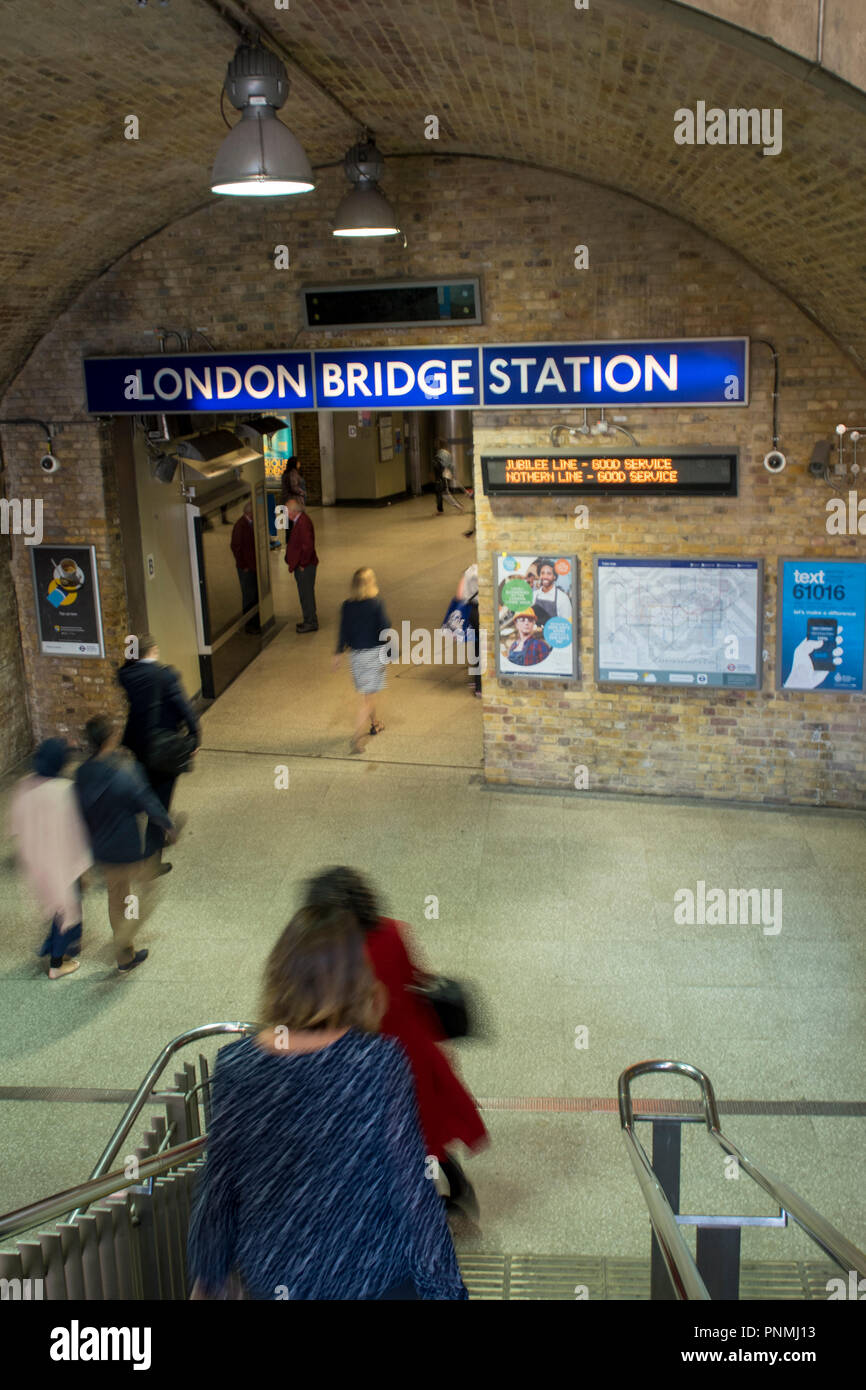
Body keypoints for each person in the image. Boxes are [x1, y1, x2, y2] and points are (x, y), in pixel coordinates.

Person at [187, 904, 467, 1300]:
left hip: (276, 1278)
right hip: (375, 1280)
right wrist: (447, 1291)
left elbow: (220, 1186)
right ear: (355, 981)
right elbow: (413, 1189)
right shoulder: (378, 1063)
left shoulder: (235, 1066)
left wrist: (210, 1272)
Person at [303, 867, 487, 1218]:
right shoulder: (392, 931)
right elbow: (415, 978)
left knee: (392, 1135)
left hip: (373, 1060)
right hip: (415, 1048)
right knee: (428, 1126)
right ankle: (456, 1185)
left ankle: (408, 1206)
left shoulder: (334, 958)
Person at [74, 715, 178, 974]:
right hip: (128, 848)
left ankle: (125, 957)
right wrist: (167, 824)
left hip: (102, 850)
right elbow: (146, 800)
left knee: (117, 898)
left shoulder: (83, 773)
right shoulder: (126, 768)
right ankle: (123, 940)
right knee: (149, 892)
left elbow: (79, 814)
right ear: (111, 738)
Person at [8, 738, 92, 980]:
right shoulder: (63, 790)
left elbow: (15, 827)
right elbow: (74, 833)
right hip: (61, 861)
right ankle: (57, 963)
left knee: (54, 904)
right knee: (67, 908)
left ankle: (49, 945)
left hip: (35, 861)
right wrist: (83, 867)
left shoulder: (24, 786)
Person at [117, 633, 199, 872]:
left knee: (146, 788)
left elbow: (127, 670)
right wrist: (194, 738)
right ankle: (151, 861)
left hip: (138, 744)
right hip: (163, 746)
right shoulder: (165, 676)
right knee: (159, 797)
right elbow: (186, 709)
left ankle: (159, 825)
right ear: (151, 651)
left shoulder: (126, 675)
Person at [333, 567, 390, 754]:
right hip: (373, 654)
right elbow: (384, 628)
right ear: (370, 583)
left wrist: (338, 654)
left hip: (356, 656)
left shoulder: (347, 605)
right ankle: (357, 738)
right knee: (367, 700)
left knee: (368, 694)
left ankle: (375, 724)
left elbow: (343, 630)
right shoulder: (376, 604)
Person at [283, 497, 318, 633]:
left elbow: (307, 546)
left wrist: (303, 563)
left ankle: (310, 622)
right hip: (303, 565)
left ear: (293, 512)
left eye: (286, 510)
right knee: (305, 594)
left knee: (306, 594)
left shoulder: (302, 523)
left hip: (305, 566)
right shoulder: (300, 521)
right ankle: (308, 619)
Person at [229, 501, 260, 634]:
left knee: (255, 594)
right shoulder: (240, 526)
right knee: (249, 595)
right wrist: (244, 566)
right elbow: (235, 547)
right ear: (249, 513)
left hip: (253, 565)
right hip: (246, 568)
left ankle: (256, 620)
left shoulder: (250, 524)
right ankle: (250, 624)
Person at [456, 561, 482, 696]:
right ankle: (481, 684)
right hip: (482, 610)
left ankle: (477, 684)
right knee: (484, 647)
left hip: (470, 611)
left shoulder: (469, 570)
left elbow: (459, 595)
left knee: (476, 645)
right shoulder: (488, 571)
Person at [531, 556, 572, 622]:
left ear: (554, 577)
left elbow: (567, 623)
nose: (545, 576)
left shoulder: (563, 598)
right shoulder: (534, 595)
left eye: (549, 573)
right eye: (542, 573)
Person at [279, 455, 306, 545]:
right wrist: (302, 492)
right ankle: (294, 541)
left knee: (288, 523)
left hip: (286, 501)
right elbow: (294, 487)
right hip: (294, 502)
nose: (299, 464)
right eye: (298, 462)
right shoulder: (293, 473)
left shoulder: (285, 474)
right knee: (295, 522)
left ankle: (289, 541)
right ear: (294, 464)